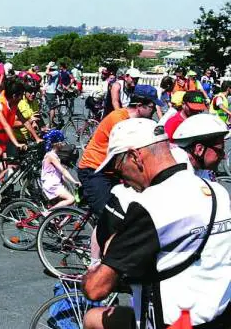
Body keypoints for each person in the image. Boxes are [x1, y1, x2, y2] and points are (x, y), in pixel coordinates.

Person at [83, 118, 231, 329]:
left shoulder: (150, 206)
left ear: (134, 156)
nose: (122, 179)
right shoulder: (218, 192)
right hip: (220, 315)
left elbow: (96, 289)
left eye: (118, 170)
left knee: (92, 318)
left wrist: (90, 273)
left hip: (173, 322)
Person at [77, 85, 162, 253]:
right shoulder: (119, 119)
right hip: (94, 170)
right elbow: (130, 150)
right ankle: (96, 264)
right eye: (152, 107)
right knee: (109, 218)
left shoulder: (134, 121)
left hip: (112, 170)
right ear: (140, 106)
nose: (155, 111)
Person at [40, 130, 80, 212]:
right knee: (71, 199)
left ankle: (53, 216)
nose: (64, 143)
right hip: (52, 184)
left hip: (55, 183)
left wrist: (64, 181)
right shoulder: (51, 156)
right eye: (61, 141)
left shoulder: (53, 155)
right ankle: (48, 214)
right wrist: (74, 181)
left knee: (61, 200)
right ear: (56, 144)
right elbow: (63, 170)